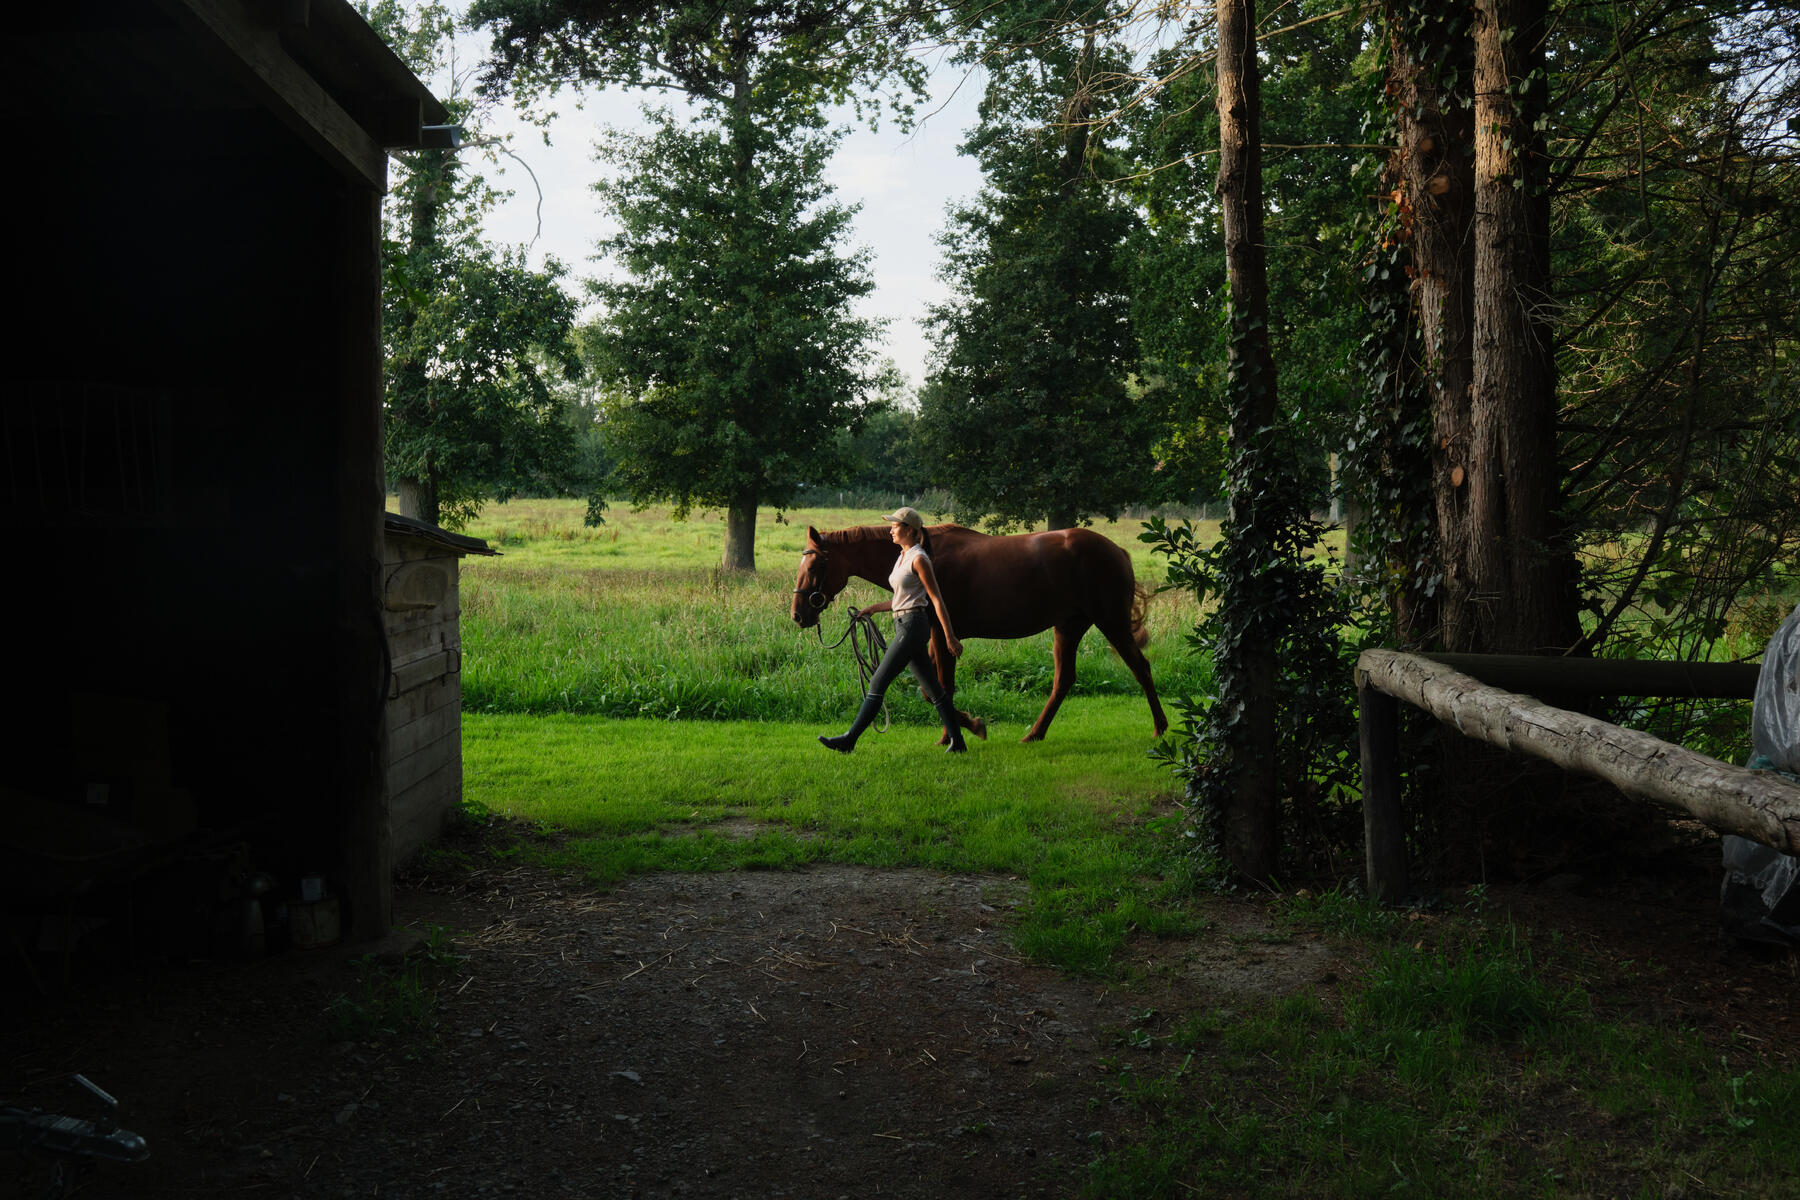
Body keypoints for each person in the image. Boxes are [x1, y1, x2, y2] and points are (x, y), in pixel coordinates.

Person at [819, 507, 968, 754]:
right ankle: (958, 742)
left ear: (909, 530)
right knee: (934, 689)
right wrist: (873, 608)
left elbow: (936, 599)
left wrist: (949, 636)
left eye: (895, 526)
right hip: (904, 623)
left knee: (877, 681)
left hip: (913, 626)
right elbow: (902, 598)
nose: (891, 530)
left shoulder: (919, 558)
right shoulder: (902, 556)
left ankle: (848, 740)